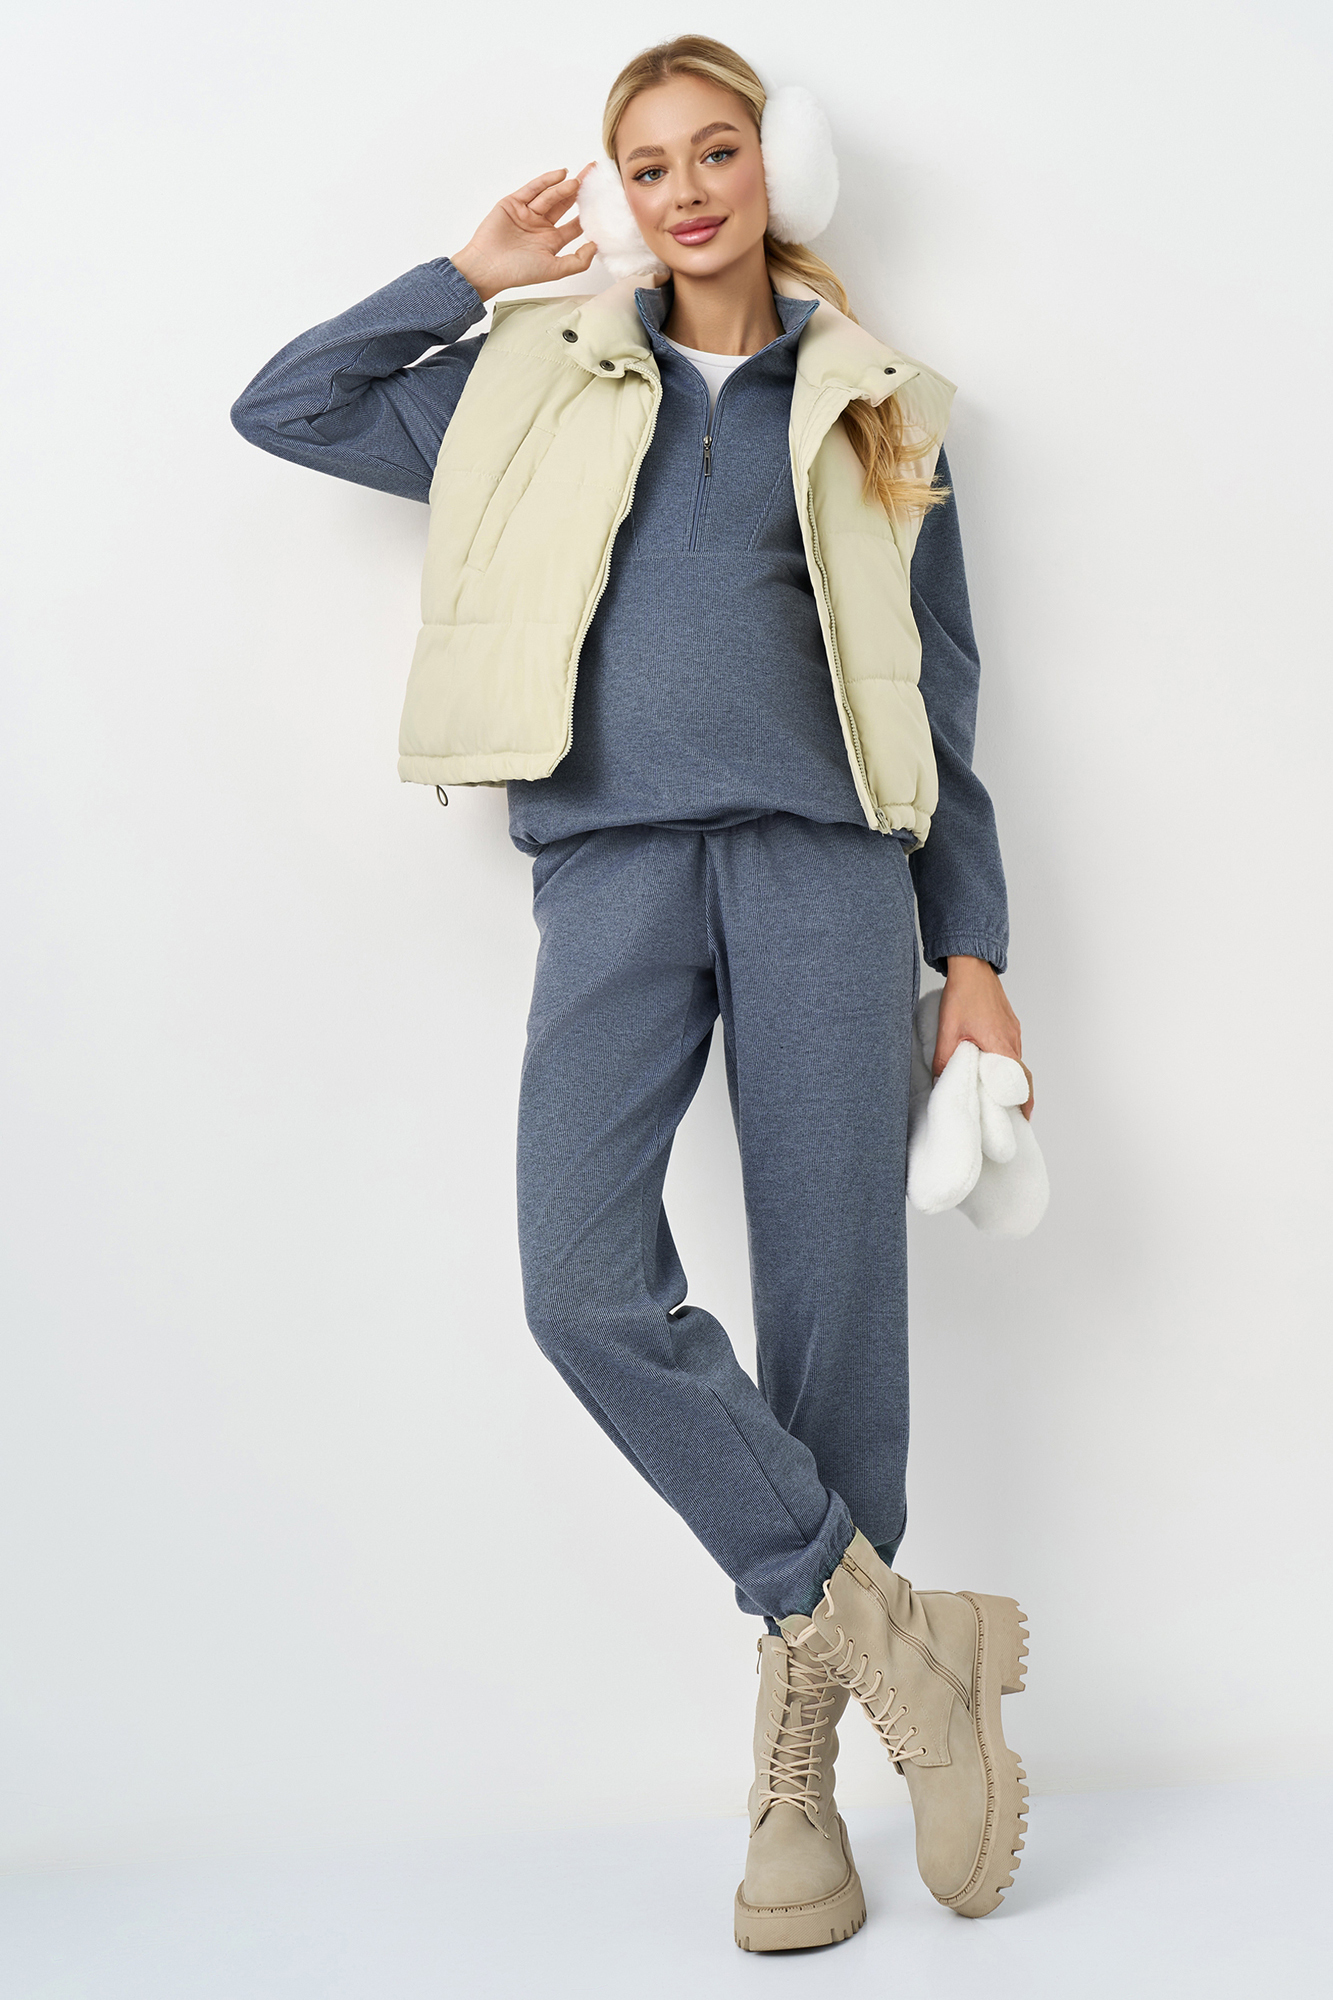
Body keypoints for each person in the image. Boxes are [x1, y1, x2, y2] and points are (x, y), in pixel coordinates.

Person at [232, 32, 1033, 1953]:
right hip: (609, 868)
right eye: (649, 163)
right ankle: (888, 1636)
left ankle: (801, 1783)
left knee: (834, 1315)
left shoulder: (879, 405)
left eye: (715, 151)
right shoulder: (529, 379)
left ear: (774, 171)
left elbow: (940, 707)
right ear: (617, 192)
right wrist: (468, 278)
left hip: (828, 870)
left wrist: (975, 957)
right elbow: (287, 405)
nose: (684, 190)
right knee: (580, 1284)